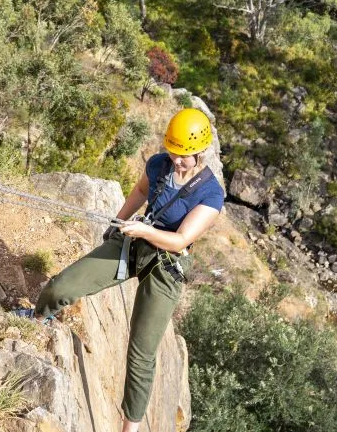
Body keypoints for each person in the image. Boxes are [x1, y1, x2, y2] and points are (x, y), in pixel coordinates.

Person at [33, 108, 225, 432]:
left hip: (166, 266)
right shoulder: (158, 164)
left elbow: (180, 241)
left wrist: (144, 232)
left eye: (185, 157)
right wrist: (118, 221)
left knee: (141, 352)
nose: (177, 161)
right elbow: (139, 191)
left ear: (201, 152)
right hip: (133, 244)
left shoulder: (211, 194)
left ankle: (129, 428)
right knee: (61, 286)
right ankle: (36, 321)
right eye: (174, 153)